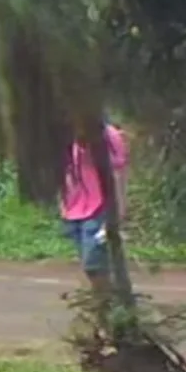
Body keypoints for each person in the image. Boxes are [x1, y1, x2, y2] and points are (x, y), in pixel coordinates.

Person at [60, 120, 129, 295]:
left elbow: (118, 172)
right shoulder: (64, 134)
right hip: (74, 207)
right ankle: (105, 300)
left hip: (99, 206)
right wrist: (62, 203)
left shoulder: (108, 136)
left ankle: (107, 303)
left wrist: (119, 205)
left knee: (94, 262)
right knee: (88, 263)